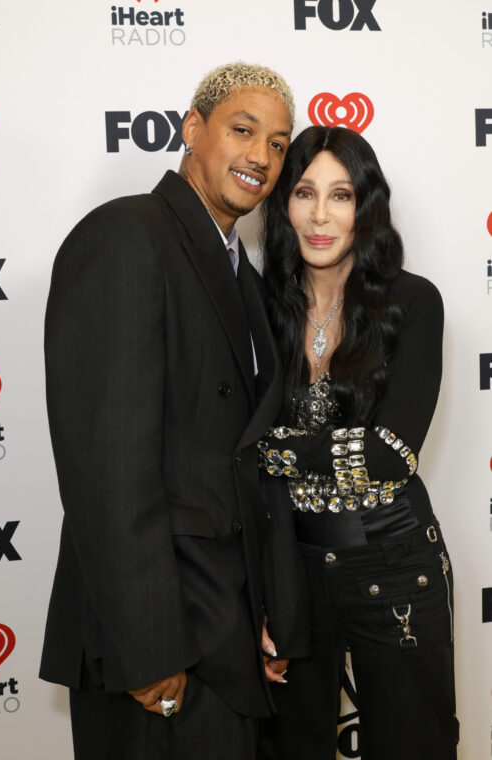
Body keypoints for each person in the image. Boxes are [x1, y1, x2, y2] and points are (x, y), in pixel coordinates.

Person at [39, 62, 309, 760]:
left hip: (222, 628)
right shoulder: (127, 236)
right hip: (159, 639)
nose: (260, 157)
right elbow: (108, 464)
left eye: (278, 143)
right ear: (193, 129)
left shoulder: (237, 272)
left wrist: (260, 615)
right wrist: (146, 649)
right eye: (242, 130)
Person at [258, 125, 459, 760]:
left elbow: (391, 455)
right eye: (304, 193)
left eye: (340, 195)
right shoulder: (262, 309)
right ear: (283, 204)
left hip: (394, 566)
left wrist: (276, 450)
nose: (320, 216)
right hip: (292, 573)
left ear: (365, 206)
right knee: (288, 748)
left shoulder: (411, 302)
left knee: (413, 747)